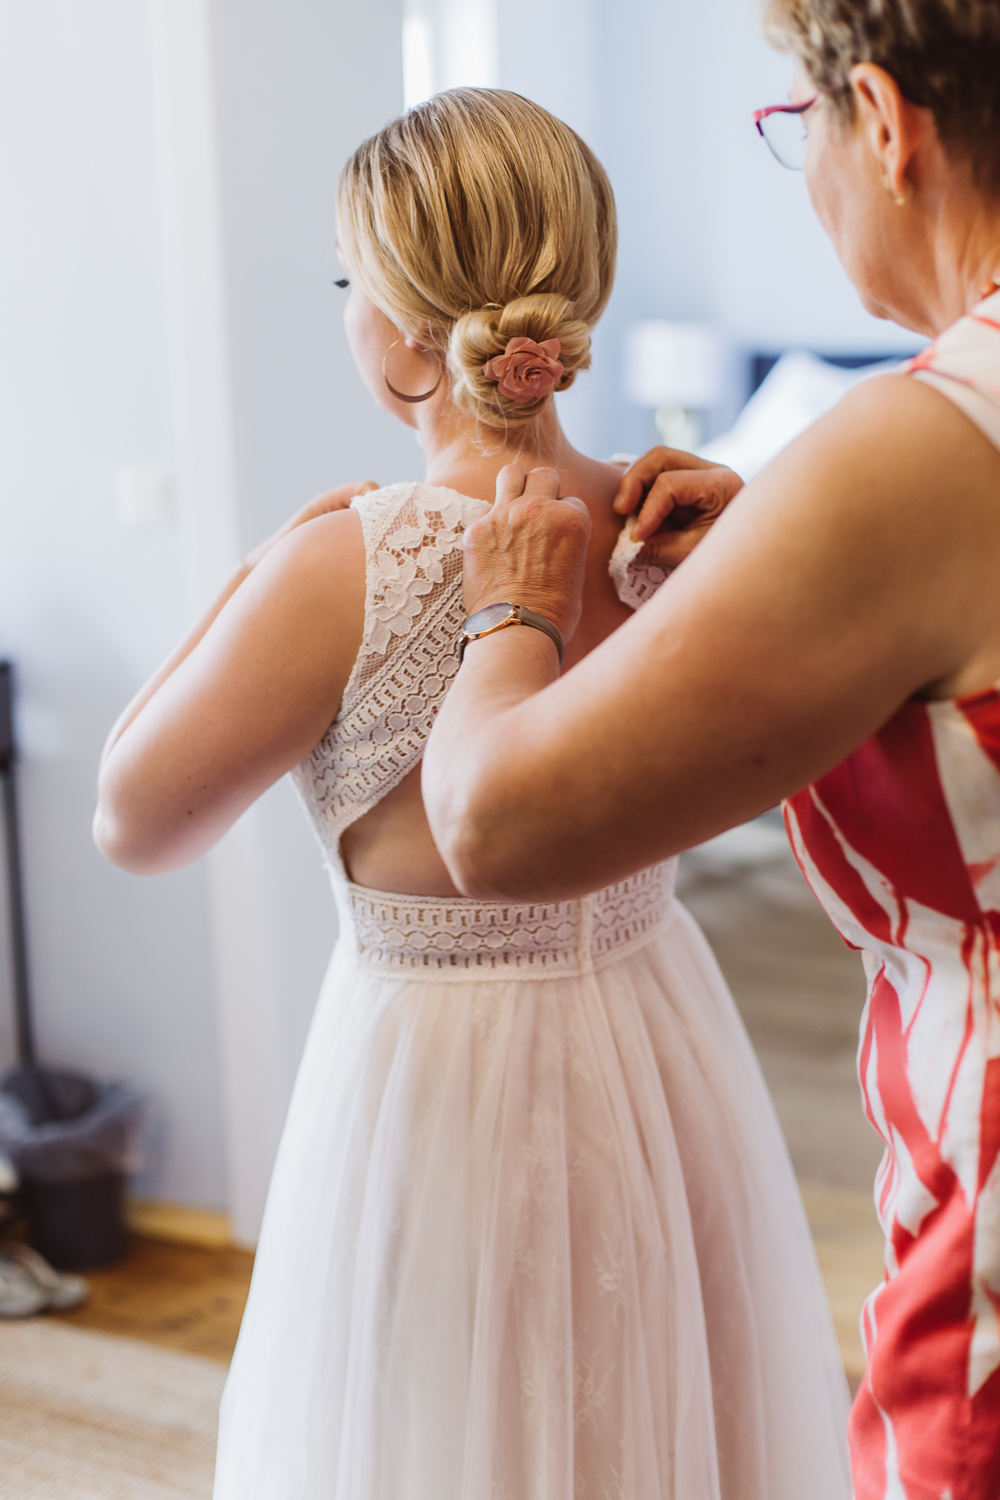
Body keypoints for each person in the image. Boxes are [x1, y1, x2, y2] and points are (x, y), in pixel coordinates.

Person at [93, 89, 851, 1500]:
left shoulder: (341, 567)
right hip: (656, 1039)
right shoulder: (674, 529)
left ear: (394, 323)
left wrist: (251, 580)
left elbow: (132, 821)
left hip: (432, 1089)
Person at [420, 6, 1000, 1498]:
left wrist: (510, 608)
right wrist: (791, 557)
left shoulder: (921, 444)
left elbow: (491, 825)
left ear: (883, 119)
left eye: (791, 128)